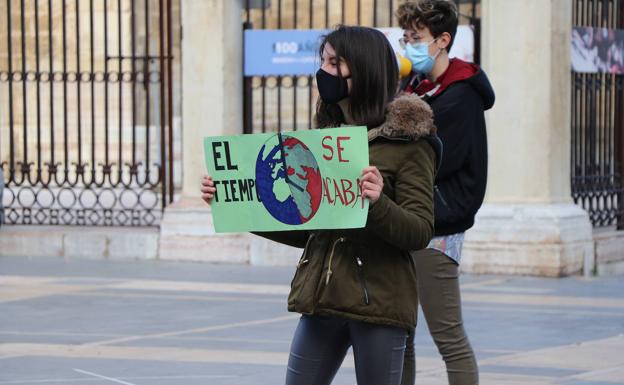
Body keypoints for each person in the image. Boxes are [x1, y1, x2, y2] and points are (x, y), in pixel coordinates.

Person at [202, 25, 442, 385]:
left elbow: (419, 231)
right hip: (322, 298)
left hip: (378, 304)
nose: (323, 72)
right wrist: (239, 204)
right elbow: (310, 225)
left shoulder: (409, 145)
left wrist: (377, 204)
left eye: (334, 62)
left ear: (361, 70)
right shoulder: (323, 140)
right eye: (323, 61)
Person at [396, 1, 495, 385]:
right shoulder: (416, 89)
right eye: (406, 38)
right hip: (405, 219)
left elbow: (437, 162)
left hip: (438, 225)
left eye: (417, 38)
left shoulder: (459, 95)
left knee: (448, 336)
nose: (409, 46)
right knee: (399, 335)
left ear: (442, 40)